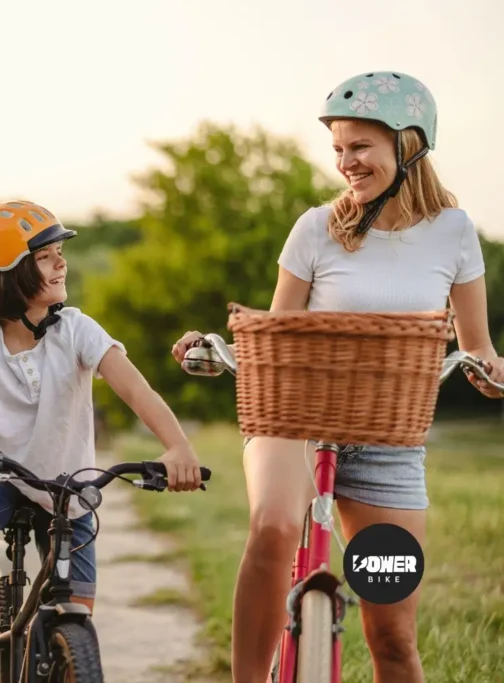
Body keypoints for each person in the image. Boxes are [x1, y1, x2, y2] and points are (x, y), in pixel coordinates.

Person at [172, 71, 504, 683]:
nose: (346, 163)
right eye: (338, 150)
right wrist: (218, 346)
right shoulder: (316, 227)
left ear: (409, 145)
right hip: (295, 421)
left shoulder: (454, 233)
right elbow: (278, 331)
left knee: (394, 637)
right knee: (273, 528)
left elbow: (478, 348)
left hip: (390, 444)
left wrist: (489, 371)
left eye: (360, 147)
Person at [0, 200, 204, 683]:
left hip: (71, 491)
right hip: (0, 478)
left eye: (58, 252)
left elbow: (135, 389)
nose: (62, 261)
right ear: (6, 276)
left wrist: (178, 448)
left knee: (72, 628)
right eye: (46, 256)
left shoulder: (76, 330)